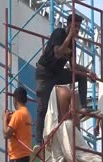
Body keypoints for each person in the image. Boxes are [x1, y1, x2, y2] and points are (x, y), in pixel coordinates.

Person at [35, 13, 97, 146]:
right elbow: (58, 53)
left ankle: (84, 107)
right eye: (75, 26)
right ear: (68, 25)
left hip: (56, 73)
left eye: (78, 28)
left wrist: (88, 71)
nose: (77, 30)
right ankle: (39, 141)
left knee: (81, 75)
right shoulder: (59, 33)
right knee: (42, 108)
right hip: (45, 72)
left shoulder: (73, 44)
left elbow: (74, 65)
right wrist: (69, 37)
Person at [44, 85, 102, 162]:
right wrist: (89, 113)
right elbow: (75, 114)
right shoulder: (72, 93)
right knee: (81, 153)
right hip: (68, 126)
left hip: (55, 128)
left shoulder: (54, 90)